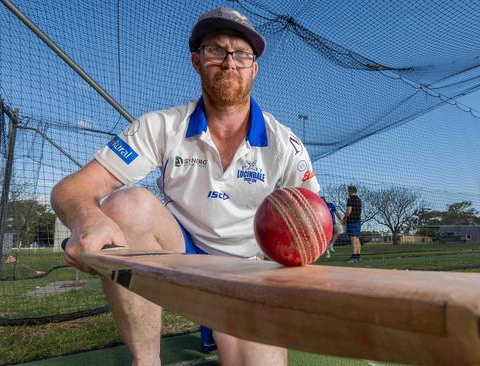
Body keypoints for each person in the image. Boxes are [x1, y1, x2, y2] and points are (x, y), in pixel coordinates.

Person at [50, 7, 319, 366]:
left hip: (244, 269)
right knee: (126, 205)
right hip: (181, 254)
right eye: (215, 50)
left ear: (254, 68)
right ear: (196, 61)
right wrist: (86, 217)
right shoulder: (160, 126)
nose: (228, 62)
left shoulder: (284, 143)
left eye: (241, 54)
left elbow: (312, 214)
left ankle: (218, 323)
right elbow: (72, 189)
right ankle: (146, 361)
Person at [341, 185, 362, 262]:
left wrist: (344, 218)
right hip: (358, 221)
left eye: (348, 191)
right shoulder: (359, 200)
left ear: (350, 191)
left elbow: (348, 212)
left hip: (352, 222)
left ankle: (354, 257)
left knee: (353, 239)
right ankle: (358, 256)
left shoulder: (350, 200)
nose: (347, 192)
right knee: (356, 238)